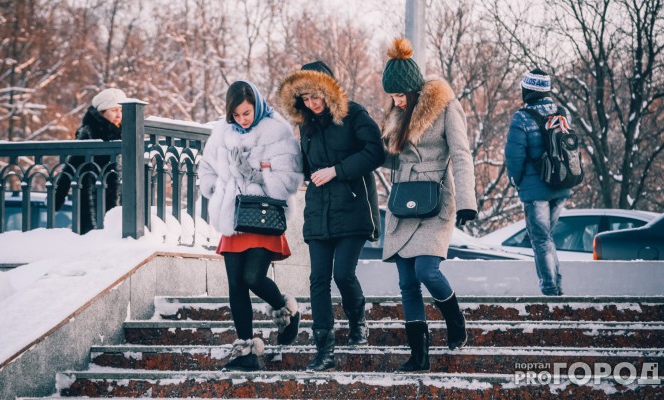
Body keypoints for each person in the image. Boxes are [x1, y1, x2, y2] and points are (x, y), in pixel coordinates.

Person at [278, 61, 385, 372]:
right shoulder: (306, 125)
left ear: (329, 90)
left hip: (352, 207)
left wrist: (337, 171)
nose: (312, 104)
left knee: (343, 274)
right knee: (318, 279)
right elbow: (306, 166)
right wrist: (279, 165)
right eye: (305, 98)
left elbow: (375, 152)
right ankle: (324, 350)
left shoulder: (354, 114)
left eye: (316, 96)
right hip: (319, 211)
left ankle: (358, 323)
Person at [379, 38, 478, 372]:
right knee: (407, 282)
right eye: (392, 96)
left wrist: (467, 202)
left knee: (426, 270)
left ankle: (455, 318)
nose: (396, 101)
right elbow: (392, 159)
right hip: (403, 200)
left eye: (400, 95)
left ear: (413, 89)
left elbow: (461, 154)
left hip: (435, 199)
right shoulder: (394, 113)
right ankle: (419, 356)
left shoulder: (445, 105)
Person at [198, 80, 304, 371]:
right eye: (236, 115)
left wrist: (256, 175)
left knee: (253, 277)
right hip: (233, 216)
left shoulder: (276, 131)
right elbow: (206, 168)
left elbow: (290, 179)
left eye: (247, 113)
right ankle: (246, 351)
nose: (242, 119)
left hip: (262, 215)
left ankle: (287, 312)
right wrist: (215, 185)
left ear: (257, 105)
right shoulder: (223, 132)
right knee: (235, 285)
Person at [505, 68, 571, 296]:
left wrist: (516, 181)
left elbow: (514, 156)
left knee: (541, 240)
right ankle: (556, 285)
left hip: (536, 192)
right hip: (561, 186)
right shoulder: (561, 114)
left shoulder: (522, 118)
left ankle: (550, 288)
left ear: (528, 90)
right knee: (547, 238)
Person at [55, 87, 127, 234]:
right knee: (97, 235)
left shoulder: (126, 131)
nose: (119, 115)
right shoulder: (89, 131)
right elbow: (72, 164)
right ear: (102, 112)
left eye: (121, 110)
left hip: (120, 196)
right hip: (93, 195)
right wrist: (58, 196)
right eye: (114, 110)